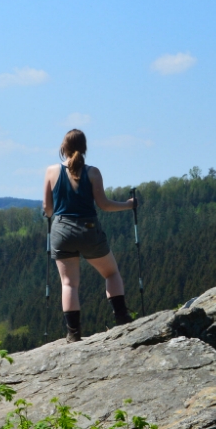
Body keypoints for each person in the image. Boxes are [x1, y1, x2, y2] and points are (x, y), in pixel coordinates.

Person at [42, 129, 135, 342]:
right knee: (111, 273)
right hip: (89, 229)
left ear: (63, 148)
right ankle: (122, 319)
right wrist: (128, 205)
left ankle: (73, 334)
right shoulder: (93, 173)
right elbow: (104, 205)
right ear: (84, 148)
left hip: (61, 230)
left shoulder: (51, 171)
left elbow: (47, 209)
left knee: (69, 284)